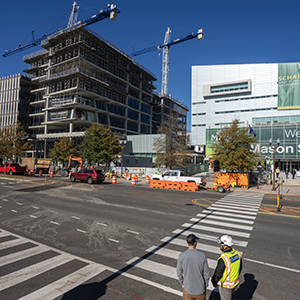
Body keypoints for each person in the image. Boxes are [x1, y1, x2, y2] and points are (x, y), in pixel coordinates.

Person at [177, 234, 210, 300]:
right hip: (200, 290)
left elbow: (179, 272)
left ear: (187, 242)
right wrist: (205, 285)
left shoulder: (182, 256)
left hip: (188, 290)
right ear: (195, 243)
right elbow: (206, 274)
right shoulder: (202, 256)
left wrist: (182, 283)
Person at [211, 235, 242, 300]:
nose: (220, 246)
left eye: (221, 245)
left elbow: (218, 273)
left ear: (225, 245)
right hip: (235, 283)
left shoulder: (224, 258)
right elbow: (240, 268)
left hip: (226, 286)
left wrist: (214, 282)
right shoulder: (238, 254)